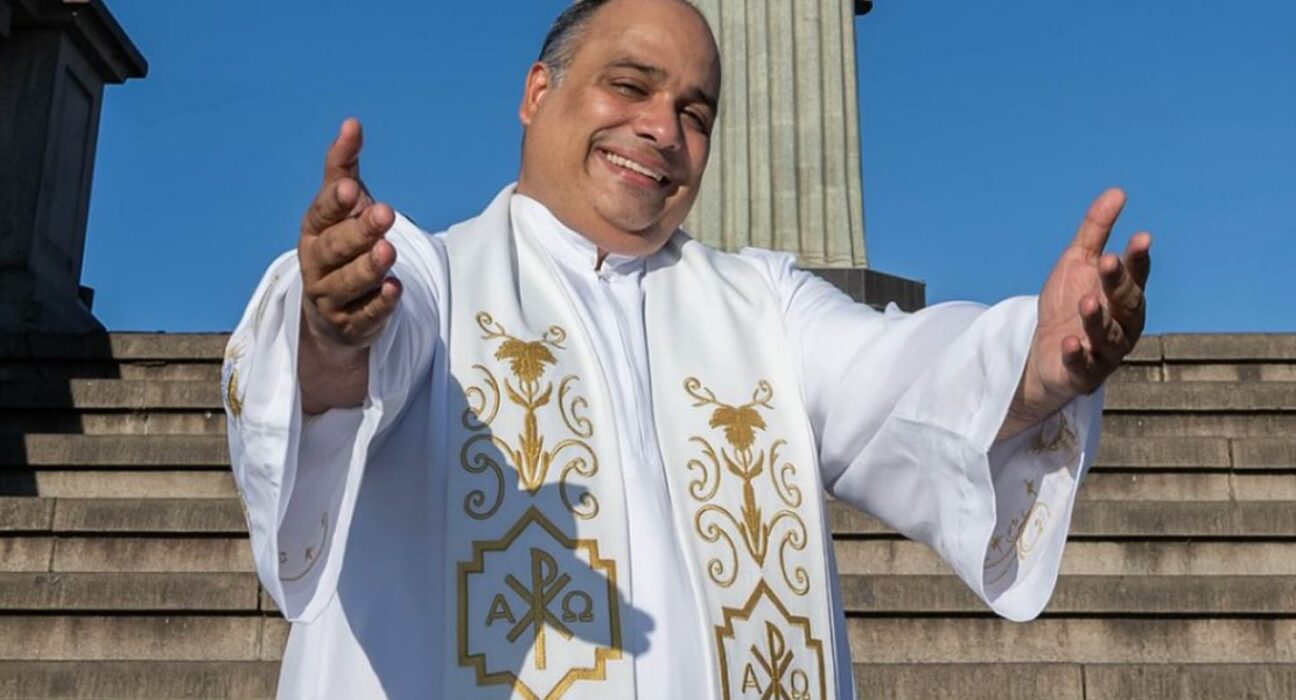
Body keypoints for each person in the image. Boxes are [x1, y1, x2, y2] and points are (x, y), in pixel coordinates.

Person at [222, 0, 1152, 697]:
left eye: (695, 112)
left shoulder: (762, 305)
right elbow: (348, 367)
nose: (663, 130)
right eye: (629, 86)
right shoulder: (434, 278)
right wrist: (333, 330)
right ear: (537, 92)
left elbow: (899, 376)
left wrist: (1032, 363)